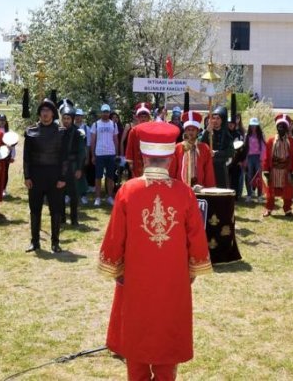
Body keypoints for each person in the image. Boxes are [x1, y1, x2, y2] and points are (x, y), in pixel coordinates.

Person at [98, 121, 212, 380]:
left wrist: (116, 267)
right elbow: (196, 236)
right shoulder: (184, 193)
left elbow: (116, 235)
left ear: (145, 155)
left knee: (137, 337)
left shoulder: (127, 190)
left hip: (136, 277)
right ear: (172, 157)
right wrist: (192, 268)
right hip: (174, 279)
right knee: (167, 334)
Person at [23, 98, 65, 253]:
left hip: (55, 176)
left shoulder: (61, 132)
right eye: (42, 111)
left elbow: (64, 158)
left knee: (55, 210)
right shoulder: (31, 131)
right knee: (35, 210)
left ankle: (55, 242)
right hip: (36, 176)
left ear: (53, 114)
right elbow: (26, 157)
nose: (45, 113)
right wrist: (27, 177)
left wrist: (62, 178)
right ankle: (35, 242)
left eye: (48, 111)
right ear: (39, 114)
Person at [262, 114, 293, 217]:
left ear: (286, 128)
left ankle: (287, 209)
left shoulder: (291, 141)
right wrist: (266, 170)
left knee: (288, 191)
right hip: (274, 169)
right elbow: (266, 156)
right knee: (270, 191)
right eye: (279, 126)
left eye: (283, 126)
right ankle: (268, 208)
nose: (280, 128)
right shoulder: (270, 140)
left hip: (286, 170)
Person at [169, 111, 215, 189]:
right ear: (185, 131)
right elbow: (173, 170)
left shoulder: (204, 148)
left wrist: (210, 188)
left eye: (193, 130)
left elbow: (208, 171)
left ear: (197, 131)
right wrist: (171, 187)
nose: (191, 132)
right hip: (180, 187)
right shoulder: (177, 148)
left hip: (200, 188)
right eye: (188, 130)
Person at [60, 105, 86, 226]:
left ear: (72, 119)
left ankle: (74, 219)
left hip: (73, 166)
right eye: (64, 118)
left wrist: (79, 168)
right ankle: (61, 218)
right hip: (60, 166)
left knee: (74, 193)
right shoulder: (58, 131)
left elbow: (81, 152)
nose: (66, 121)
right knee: (60, 192)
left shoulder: (78, 133)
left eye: (68, 118)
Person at [91, 104, 119, 207]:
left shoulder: (114, 124)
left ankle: (109, 197)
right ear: (101, 112)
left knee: (110, 177)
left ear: (109, 112)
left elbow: (116, 140)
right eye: (104, 112)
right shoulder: (96, 124)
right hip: (99, 154)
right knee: (98, 177)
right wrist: (93, 155)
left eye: (107, 112)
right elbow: (93, 141)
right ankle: (97, 198)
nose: (105, 114)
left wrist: (117, 154)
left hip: (111, 154)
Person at [199, 106, 234, 189]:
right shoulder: (207, 132)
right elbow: (200, 145)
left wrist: (216, 153)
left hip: (221, 167)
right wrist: (207, 132)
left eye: (218, 118)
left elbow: (230, 152)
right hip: (208, 166)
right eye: (213, 118)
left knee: (221, 190)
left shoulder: (226, 135)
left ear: (222, 120)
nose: (215, 121)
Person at [123, 102, 153, 180]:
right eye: (141, 116)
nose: (143, 118)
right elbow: (129, 148)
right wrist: (130, 163)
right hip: (137, 163)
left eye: (145, 116)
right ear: (137, 118)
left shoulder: (153, 130)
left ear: (148, 117)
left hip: (150, 162)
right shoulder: (133, 131)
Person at [244, 118, 266, 202]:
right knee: (249, 176)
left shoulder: (261, 135)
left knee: (258, 177)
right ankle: (249, 195)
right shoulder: (247, 135)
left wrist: (261, 159)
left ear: (257, 126)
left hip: (258, 158)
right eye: (252, 125)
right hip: (249, 157)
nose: (253, 127)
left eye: (255, 125)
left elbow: (264, 148)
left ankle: (259, 196)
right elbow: (245, 148)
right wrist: (245, 160)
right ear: (250, 126)